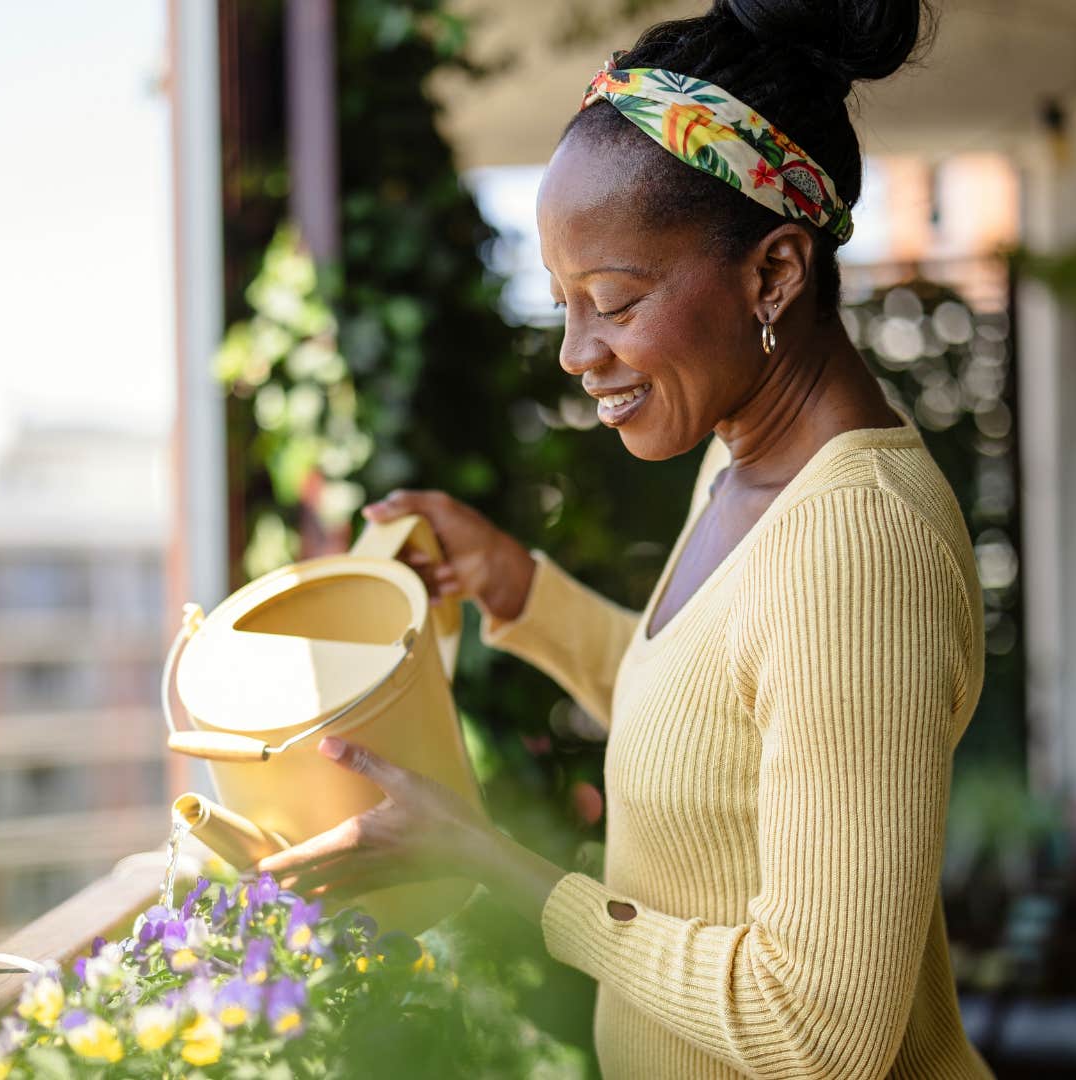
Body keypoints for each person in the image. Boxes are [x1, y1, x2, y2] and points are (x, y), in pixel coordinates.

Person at [258, 1, 994, 1075]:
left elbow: (821, 1030)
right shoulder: (748, 458)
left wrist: (514, 877)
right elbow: (713, 727)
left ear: (774, 275)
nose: (574, 352)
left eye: (611, 301)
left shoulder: (857, 546)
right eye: (564, 302)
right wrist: (518, 590)